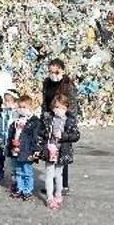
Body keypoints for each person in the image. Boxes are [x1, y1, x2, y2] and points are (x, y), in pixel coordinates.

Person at [41, 58, 78, 195]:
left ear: (62, 70)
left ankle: (63, 185)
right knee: (51, 150)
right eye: (50, 71)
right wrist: (43, 117)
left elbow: (72, 105)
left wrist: (69, 121)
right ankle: (52, 183)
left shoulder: (68, 85)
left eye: (56, 71)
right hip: (50, 118)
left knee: (63, 151)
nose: (53, 74)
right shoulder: (46, 82)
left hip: (63, 117)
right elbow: (45, 101)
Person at [37, 94, 80, 210]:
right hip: (50, 150)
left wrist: (63, 136)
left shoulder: (70, 121)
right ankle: (50, 198)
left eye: (61, 108)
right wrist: (47, 135)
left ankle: (58, 194)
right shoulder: (48, 119)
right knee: (49, 174)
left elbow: (76, 136)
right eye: (56, 107)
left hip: (62, 151)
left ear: (66, 108)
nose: (58, 110)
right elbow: (40, 132)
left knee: (58, 174)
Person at [7, 95, 41, 201]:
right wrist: (10, 147)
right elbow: (11, 134)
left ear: (30, 107)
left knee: (27, 171)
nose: (21, 109)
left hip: (27, 151)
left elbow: (36, 138)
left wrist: (35, 151)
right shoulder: (16, 120)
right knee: (18, 170)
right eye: (20, 107)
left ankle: (27, 190)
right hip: (16, 149)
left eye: (24, 107)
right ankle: (20, 188)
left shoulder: (34, 122)